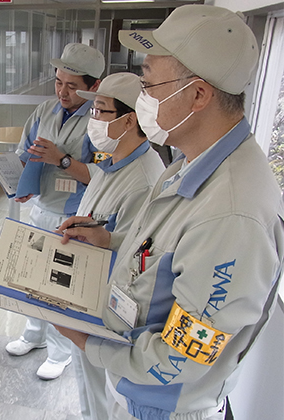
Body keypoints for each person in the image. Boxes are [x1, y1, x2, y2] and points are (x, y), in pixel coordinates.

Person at [57, 5, 284, 420]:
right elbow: (174, 251)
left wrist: (88, 341)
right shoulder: (191, 161)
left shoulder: (232, 215)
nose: (142, 100)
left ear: (198, 94)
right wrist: (113, 240)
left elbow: (181, 358)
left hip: (164, 407)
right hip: (136, 387)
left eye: (149, 86)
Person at [35, 72, 164, 419]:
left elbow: (145, 259)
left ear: (129, 120)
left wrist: (108, 240)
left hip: (110, 312)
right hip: (88, 296)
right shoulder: (109, 165)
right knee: (89, 386)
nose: (92, 120)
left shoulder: (145, 180)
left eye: (100, 112)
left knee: (105, 392)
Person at [5, 42, 104, 380]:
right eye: (58, 81)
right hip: (41, 207)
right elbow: (24, 152)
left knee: (61, 286)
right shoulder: (45, 110)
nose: (62, 91)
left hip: (76, 217)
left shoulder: (100, 121)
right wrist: (18, 182)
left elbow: (101, 177)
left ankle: (60, 352)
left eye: (72, 85)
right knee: (33, 278)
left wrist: (62, 159)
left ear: (94, 87)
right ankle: (33, 336)